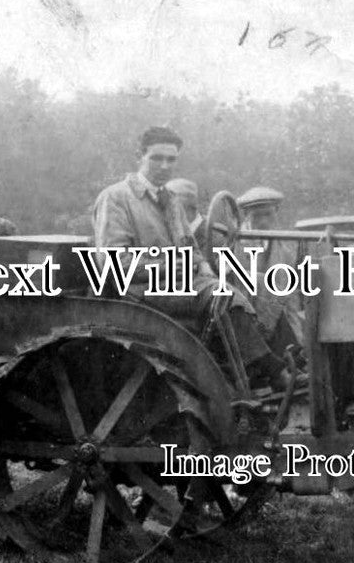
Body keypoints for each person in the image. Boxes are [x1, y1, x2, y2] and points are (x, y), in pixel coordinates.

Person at [92, 126, 298, 392]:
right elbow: (113, 264)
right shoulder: (116, 198)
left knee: (257, 283)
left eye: (172, 159)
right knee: (222, 295)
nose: (165, 166)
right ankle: (272, 372)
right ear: (139, 156)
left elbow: (192, 250)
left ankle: (292, 360)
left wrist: (204, 269)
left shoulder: (171, 199)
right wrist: (176, 268)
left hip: (181, 283)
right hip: (141, 291)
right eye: (157, 158)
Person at [236, 186, 304, 355]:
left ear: (277, 212)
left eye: (268, 214)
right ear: (245, 215)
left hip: (279, 331)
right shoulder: (234, 245)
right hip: (246, 328)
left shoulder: (286, 250)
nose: (264, 221)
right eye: (257, 216)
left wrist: (299, 340)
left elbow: (291, 301)